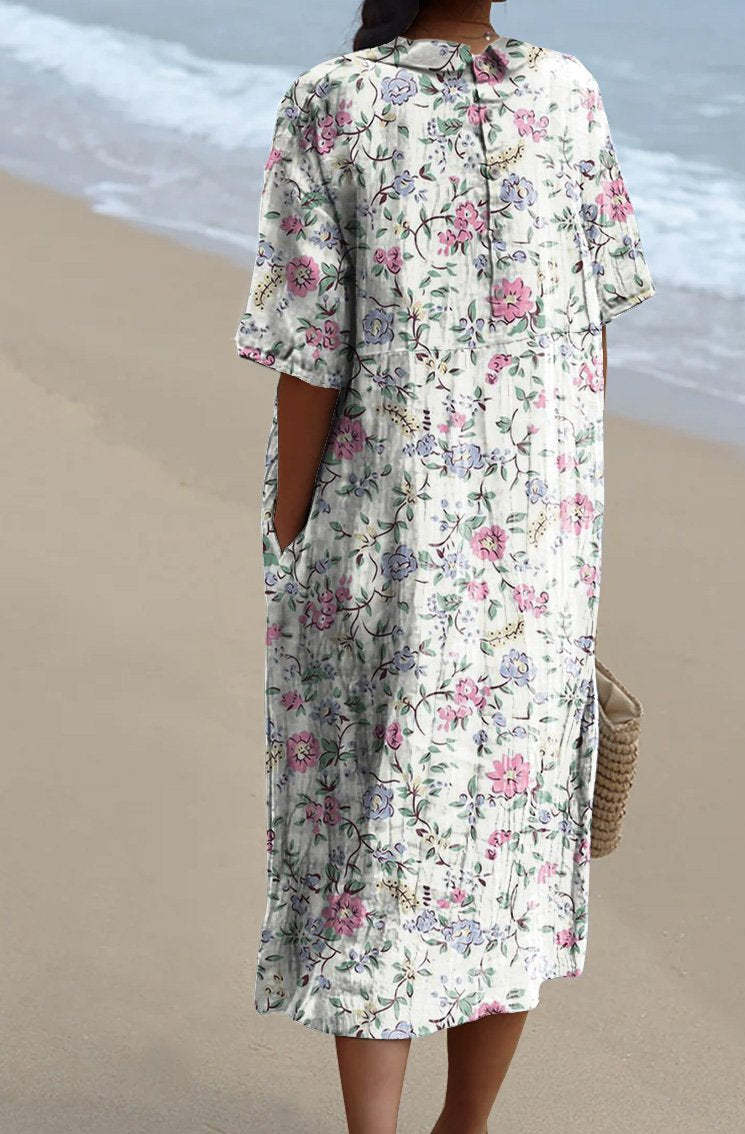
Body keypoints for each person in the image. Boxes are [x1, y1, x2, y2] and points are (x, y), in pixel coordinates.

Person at [233, 0, 655, 1130]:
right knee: (508, 856)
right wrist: (565, 513)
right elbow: (593, 331)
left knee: (377, 842)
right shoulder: (566, 92)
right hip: (540, 546)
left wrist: (286, 532)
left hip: (386, 539)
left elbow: (310, 351)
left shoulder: (334, 99)